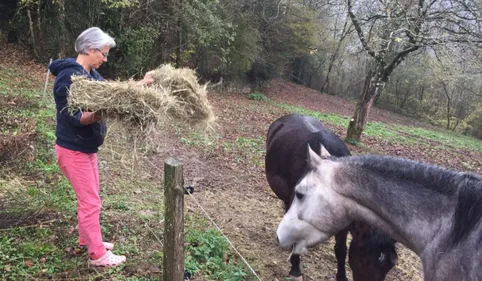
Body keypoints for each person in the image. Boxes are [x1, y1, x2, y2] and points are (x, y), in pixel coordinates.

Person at [49, 27, 154, 267]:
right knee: (90, 202)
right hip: (73, 150)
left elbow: (116, 94)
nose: (105, 59)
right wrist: (102, 112)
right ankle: (98, 255)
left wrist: (143, 83)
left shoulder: (91, 74)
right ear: (89, 49)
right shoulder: (70, 77)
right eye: (103, 54)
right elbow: (75, 118)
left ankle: (87, 240)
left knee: (91, 199)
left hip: (86, 149)